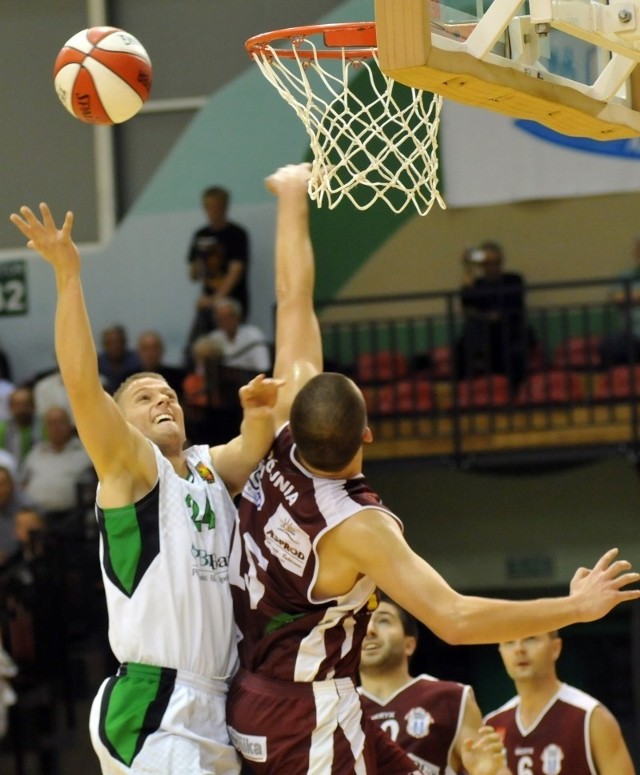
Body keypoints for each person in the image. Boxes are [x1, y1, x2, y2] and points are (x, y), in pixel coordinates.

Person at [226, 163, 640, 775]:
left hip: (270, 688)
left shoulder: (281, 430)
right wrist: (574, 609)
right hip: (304, 717)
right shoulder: (355, 526)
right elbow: (455, 618)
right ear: (367, 432)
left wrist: (290, 195)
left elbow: (291, 298)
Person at [10, 201, 283, 774]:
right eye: (145, 397)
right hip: (157, 703)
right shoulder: (134, 470)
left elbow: (250, 447)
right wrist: (67, 275)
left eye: (170, 395)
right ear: (122, 420)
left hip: (220, 701)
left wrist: (258, 412)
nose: (164, 399)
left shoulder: (206, 467)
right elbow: (84, 388)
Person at [359, 597, 511, 775]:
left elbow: (492, 769)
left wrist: (489, 773)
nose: (369, 630)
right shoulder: (337, 707)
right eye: (362, 622)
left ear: (409, 645)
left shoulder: (450, 698)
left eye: (383, 620)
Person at [484, 631, 636, 774]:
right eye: (509, 642)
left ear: (555, 648)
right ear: (501, 651)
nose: (519, 649)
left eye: (530, 638)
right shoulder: (491, 725)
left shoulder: (591, 717)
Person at [455, 242, 529, 389]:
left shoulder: (513, 279)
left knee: (511, 351)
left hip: (510, 331)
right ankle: (466, 391)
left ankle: (513, 390)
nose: (491, 267)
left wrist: (488, 315)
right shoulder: (477, 283)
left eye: (495, 263)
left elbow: (513, 306)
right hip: (483, 332)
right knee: (461, 346)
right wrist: (468, 268)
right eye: (487, 263)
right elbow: (467, 306)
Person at [187, 186, 250, 319]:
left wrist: (216, 299)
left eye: (217, 206)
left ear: (225, 207)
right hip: (207, 303)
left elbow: (236, 272)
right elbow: (193, 275)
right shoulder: (201, 235)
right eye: (209, 207)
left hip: (233, 302)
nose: (213, 211)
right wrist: (200, 255)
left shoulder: (237, 234)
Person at [21, 406, 93, 516]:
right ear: (45, 428)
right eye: (51, 423)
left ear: (70, 424)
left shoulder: (85, 452)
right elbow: (22, 482)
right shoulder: (36, 452)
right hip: (36, 516)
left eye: (60, 422)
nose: (56, 427)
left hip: (73, 517)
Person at [598, 236, 640, 368]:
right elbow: (617, 297)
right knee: (610, 345)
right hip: (633, 336)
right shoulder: (627, 276)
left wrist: (633, 296)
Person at [205, 297, 271, 373]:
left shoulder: (253, 335)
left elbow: (263, 368)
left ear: (238, 317)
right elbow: (202, 372)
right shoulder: (214, 339)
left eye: (229, 317)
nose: (226, 322)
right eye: (221, 319)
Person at [0, 386, 41, 473]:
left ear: (34, 406)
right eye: (17, 405)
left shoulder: (44, 426)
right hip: (10, 475)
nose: (22, 409)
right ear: (10, 407)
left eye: (26, 404)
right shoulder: (2, 429)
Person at [135, 330, 186, 399]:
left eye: (155, 348)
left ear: (162, 350)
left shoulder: (177, 378)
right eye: (146, 348)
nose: (151, 353)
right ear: (139, 352)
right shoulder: (128, 380)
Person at [97, 323, 142, 395]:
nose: (115, 346)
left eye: (118, 342)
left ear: (124, 342)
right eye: (111, 343)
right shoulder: (97, 364)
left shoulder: (137, 361)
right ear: (105, 344)